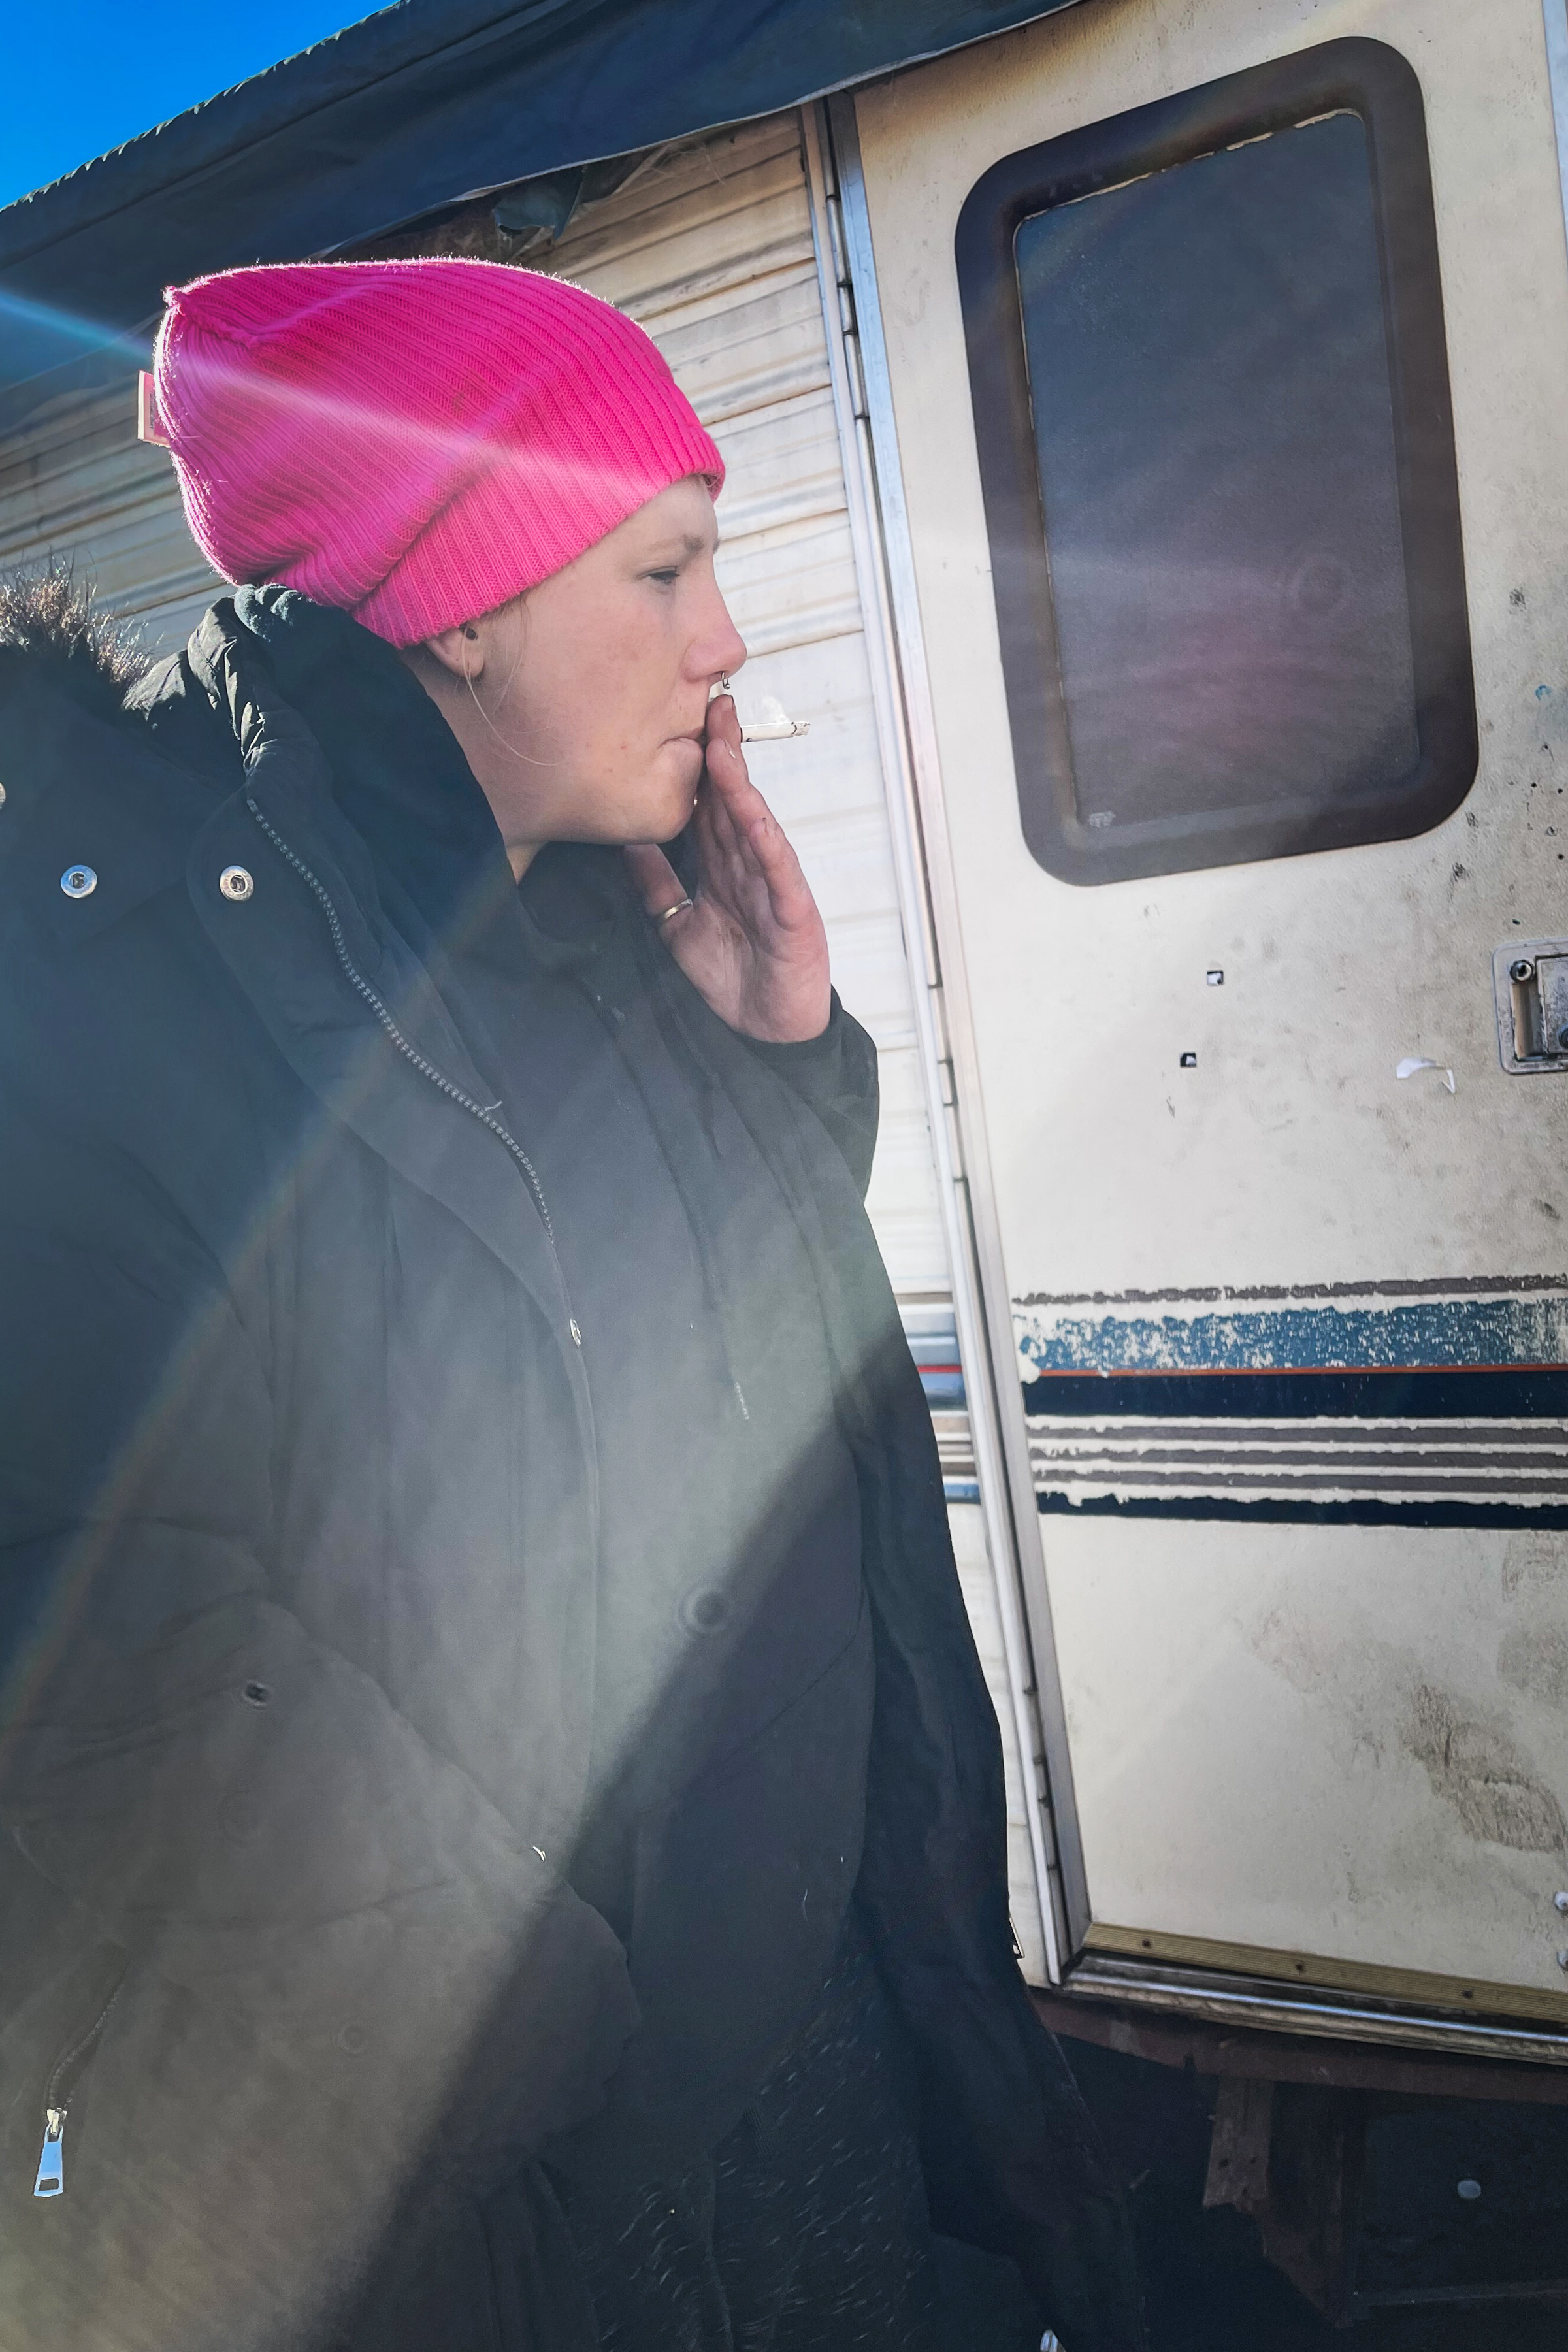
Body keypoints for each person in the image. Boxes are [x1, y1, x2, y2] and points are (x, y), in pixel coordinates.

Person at [0, 258, 1144, 2352]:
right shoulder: (103, 1003)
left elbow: (702, 1426)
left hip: (821, 2095)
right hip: (562, 2199)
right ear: (457, 595)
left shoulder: (614, 923)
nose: (724, 641)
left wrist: (784, 1073)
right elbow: (130, 1686)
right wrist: (591, 2099)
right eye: (664, 568)